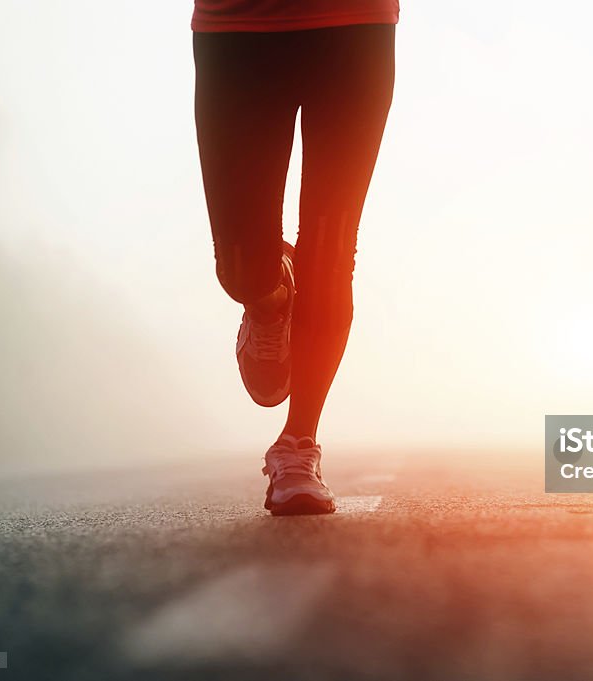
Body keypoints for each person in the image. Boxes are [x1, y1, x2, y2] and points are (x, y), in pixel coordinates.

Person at [192, 0, 398, 515]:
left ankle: (298, 446)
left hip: (355, 25)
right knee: (239, 266)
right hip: (236, 27)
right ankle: (268, 298)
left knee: (330, 248)